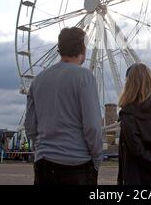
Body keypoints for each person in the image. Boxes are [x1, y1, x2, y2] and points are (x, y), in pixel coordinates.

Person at [25, 27, 103, 185]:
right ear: (83, 49)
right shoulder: (85, 77)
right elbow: (92, 126)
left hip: (44, 164)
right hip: (76, 164)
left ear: (59, 48)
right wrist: (96, 159)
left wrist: (42, 148)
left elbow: (30, 126)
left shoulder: (38, 80)